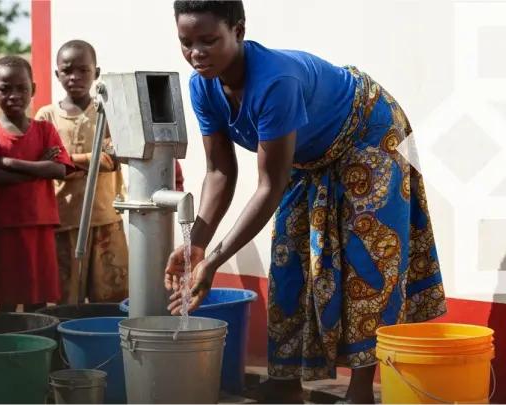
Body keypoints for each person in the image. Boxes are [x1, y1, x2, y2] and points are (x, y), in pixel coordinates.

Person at [163, 1, 447, 404]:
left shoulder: (275, 82)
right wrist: (197, 243)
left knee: (367, 257)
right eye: (186, 42)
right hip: (309, 153)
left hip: (368, 131)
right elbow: (219, 172)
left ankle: (361, 391)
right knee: (289, 254)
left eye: (209, 40)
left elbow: (269, 184)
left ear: (239, 31)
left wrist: (215, 261)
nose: (197, 53)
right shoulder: (202, 86)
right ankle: (285, 380)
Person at [0, 55, 73, 313]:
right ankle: (7, 348)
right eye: (4, 89)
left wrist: (11, 163)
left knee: (37, 298)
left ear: (34, 89)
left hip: (41, 223)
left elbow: (60, 169)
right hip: (5, 226)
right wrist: (38, 167)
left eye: (22, 88)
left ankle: (37, 344)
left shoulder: (44, 129)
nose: (14, 95)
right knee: (6, 298)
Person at [34, 40, 129, 304]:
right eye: (67, 70)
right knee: (66, 301)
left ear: (96, 73)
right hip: (63, 221)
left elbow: (114, 159)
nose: (74, 77)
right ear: (57, 75)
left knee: (111, 299)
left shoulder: (107, 113)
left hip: (106, 220)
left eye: (83, 70)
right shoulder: (46, 116)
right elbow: (44, 167)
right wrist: (90, 161)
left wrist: (65, 162)